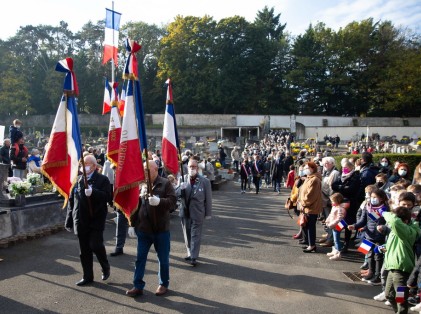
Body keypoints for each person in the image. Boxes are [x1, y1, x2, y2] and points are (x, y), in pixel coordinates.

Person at [126, 160, 177, 297]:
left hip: (161, 230)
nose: (144, 172)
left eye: (147, 170)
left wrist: (160, 201)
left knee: (163, 259)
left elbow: (173, 203)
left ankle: (163, 283)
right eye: (143, 169)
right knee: (140, 258)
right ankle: (138, 285)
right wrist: (131, 224)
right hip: (144, 229)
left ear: (155, 169)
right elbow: (136, 206)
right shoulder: (141, 184)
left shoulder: (165, 183)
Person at [65, 154, 112, 286]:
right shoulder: (78, 180)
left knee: (95, 245)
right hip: (80, 219)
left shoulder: (103, 180)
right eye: (82, 164)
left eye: (87, 164)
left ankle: (105, 266)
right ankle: (87, 276)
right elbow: (71, 201)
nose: (84, 167)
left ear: (94, 166)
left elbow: (108, 197)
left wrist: (93, 192)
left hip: (96, 219)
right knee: (84, 250)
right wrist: (69, 220)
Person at [348, 189, 389, 285]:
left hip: (380, 237)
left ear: (382, 198)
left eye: (375, 197)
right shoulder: (367, 207)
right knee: (369, 254)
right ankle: (370, 272)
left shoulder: (385, 209)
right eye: (372, 197)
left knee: (378, 256)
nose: (373, 199)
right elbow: (363, 220)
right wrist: (354, 225)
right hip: (368, 235)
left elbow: (379, 221)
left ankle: (377, 275)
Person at [383, 207, 419, 313]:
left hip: (401, 270)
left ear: (405, 222)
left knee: (400, 298)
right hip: (392, 268)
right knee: (389, 295)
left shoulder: (409, 231)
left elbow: (394, 221)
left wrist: (385, 212)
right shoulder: (397, 230)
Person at [178, 158, 212, 266]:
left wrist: (208, 213)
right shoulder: (182, 179)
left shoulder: (204, 181)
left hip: (198, 212)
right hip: (185, 211)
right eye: (190, 166)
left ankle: (193, 256)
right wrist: (180, 188)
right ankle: (189, 252)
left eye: (194, 167)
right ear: (187, 167)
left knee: (195, 235)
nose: (192, 168)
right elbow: (176, 194)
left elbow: (208, 198)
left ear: (197, 168)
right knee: (187, 234)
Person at [331, 160, 361, 253]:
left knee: (347, 223)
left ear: (351, 168)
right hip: (340, 202)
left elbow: (351, 189)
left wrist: (341, 188)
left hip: (350, 204)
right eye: (343, 168)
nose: (344, 169)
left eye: (346, 168)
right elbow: (333, 185)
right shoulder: (341, 176)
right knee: (339, 222)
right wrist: (342, 187)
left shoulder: (355, 177)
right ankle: (337, 244)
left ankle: (346, 243)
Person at [297, 161, 322, 253]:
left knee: (311, 227)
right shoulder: (309, 178)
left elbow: (310, 195)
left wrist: (303, 203)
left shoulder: (314, 179)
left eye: (307, 168)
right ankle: (309, 244)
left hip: (311, 207)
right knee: (307, 226)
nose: (305, 170)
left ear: (312, 169)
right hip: (307, 206)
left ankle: (312, 245)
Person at [325, 192, 348, 261]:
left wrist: (332, 224)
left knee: (336, 239)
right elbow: (330, 215)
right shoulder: (334, 207)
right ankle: (335, 250)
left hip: (338, 225)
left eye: (333, 201)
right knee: (335, 239)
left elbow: (339, 219)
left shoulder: (340, 208)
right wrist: (327, 220)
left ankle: (338, 253)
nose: (331, 202)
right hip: (334, 225)